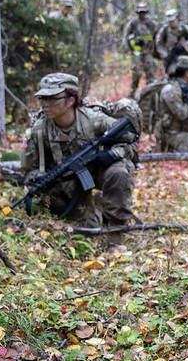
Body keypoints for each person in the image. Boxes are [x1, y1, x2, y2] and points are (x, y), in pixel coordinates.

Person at [20, 73, 137, 246]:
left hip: (98, 170)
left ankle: (116, 233)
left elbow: (131, 141)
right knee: (87, 231)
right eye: (42, 98)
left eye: (52, 98)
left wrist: (112, 154)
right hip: (68, 183)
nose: (45, 104)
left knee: (118, 173)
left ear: (71, 100)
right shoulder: (39, 130)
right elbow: (29, 170)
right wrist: (39, 179)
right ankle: (99, 206)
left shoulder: (95, 120)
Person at [123, 2, 158, 97]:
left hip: (148, 52)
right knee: (137, 73)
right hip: (136, 52)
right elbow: (125, 37)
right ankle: (133, 91)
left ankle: (150, 93)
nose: (142, 14)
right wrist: (129, 50)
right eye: (140, 12)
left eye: (143, 12)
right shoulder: (133, 23)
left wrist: (156, 51)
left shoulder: (151, 23)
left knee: (150, 72)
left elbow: (157, 37)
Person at [155, 9, 188, 75]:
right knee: (172, 74)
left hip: (185, 56)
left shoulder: (184, 28)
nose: (171, 23)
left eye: (173, 21)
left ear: (177, 19)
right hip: (171, 58)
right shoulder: (164, 30)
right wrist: (165, 55)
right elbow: (159, 44)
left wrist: (184, 47)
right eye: (170, 21)